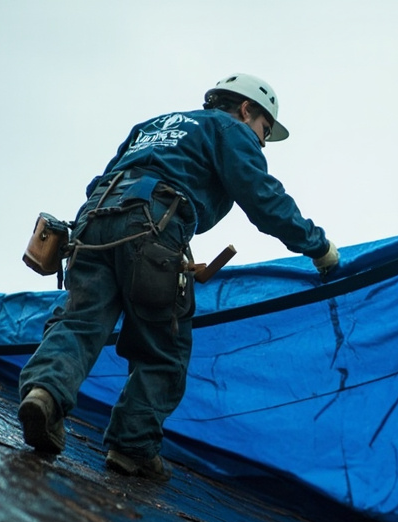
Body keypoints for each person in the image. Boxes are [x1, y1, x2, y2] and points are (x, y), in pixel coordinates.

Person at [18, 73, 339, 479]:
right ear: (245, 110)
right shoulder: (229, 129)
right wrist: (319, 247)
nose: (261, 140)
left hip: (92, 224)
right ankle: (132, 446)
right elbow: (263, 199)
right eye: (264, 129)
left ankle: (44, 394)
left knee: (79, 322)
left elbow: (99, 180)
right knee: (163, 345)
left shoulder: (156, 125)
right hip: (152, 227)